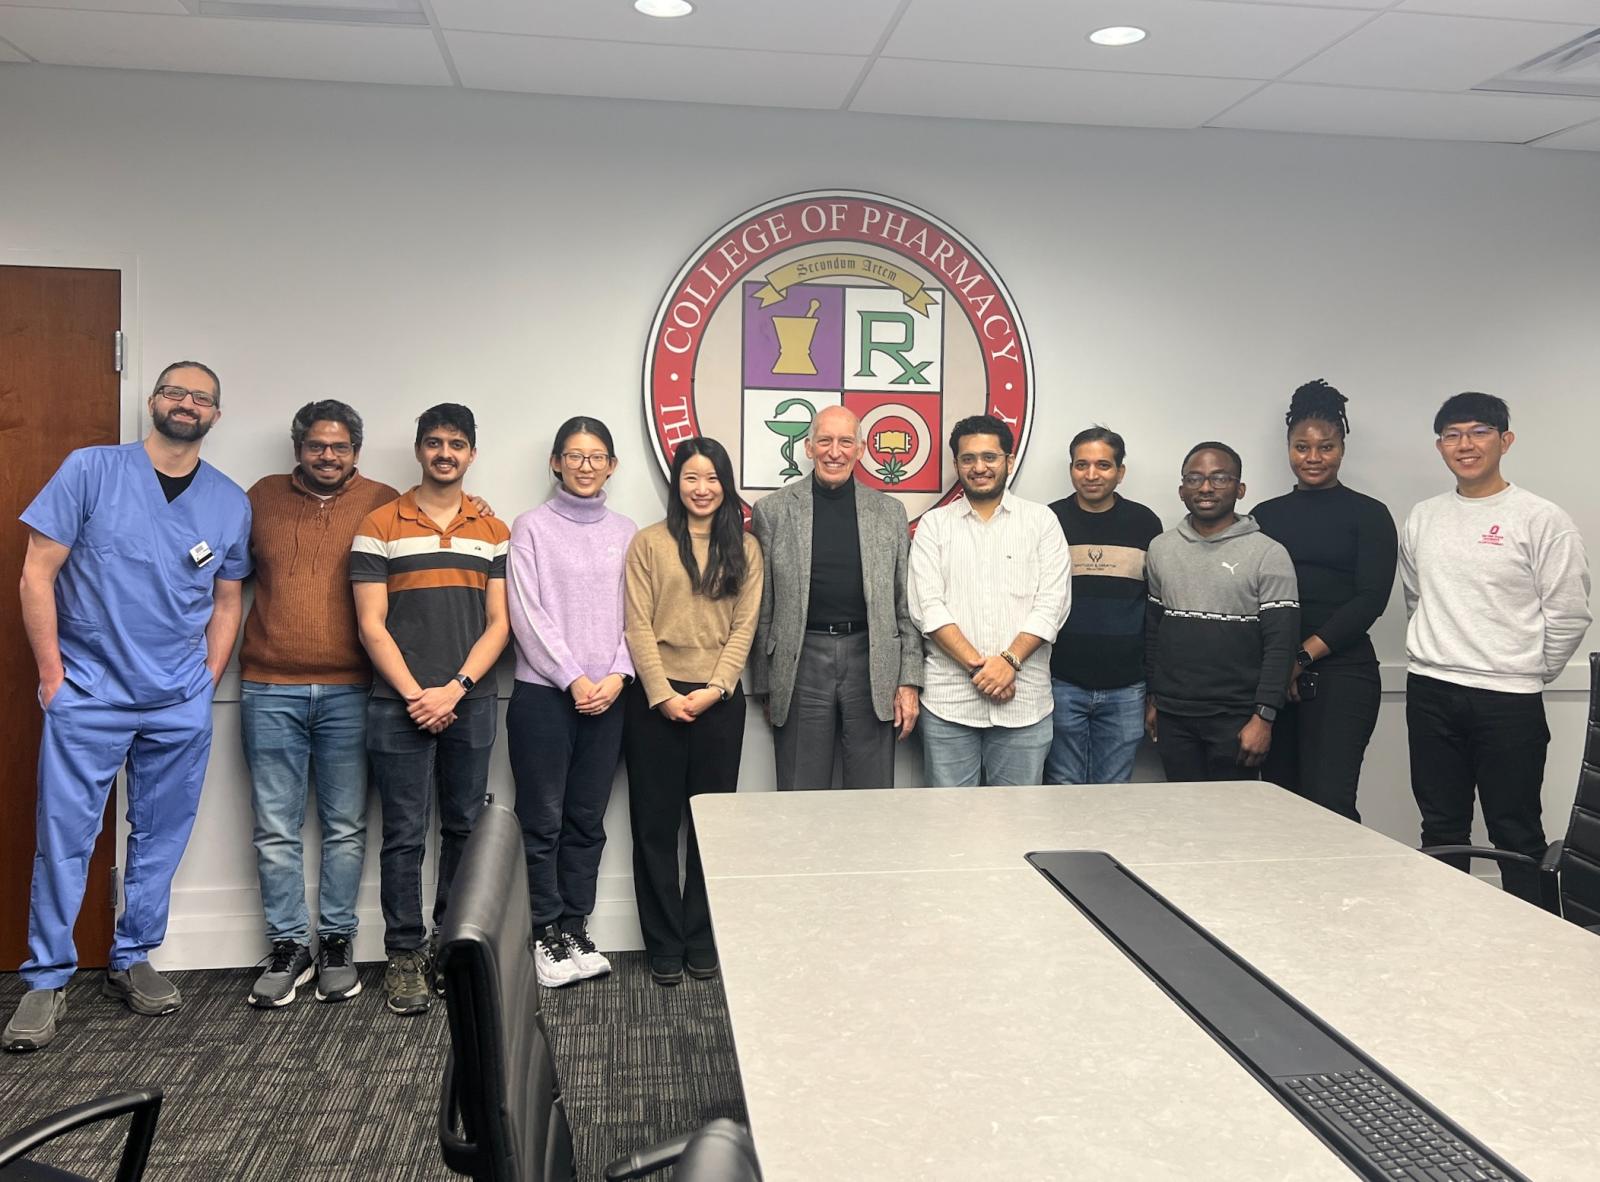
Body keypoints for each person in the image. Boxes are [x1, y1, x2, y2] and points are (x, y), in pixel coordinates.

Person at [4, 361, 251, 1053]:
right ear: (153, 401)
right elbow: (37, 572)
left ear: (215, 414)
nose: (186, 403)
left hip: (178, 698)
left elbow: (229, 597)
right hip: (89, 691)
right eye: (175, 391)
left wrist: (206, 676)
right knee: (66, 837)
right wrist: (53, 675)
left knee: (161, 834)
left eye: (201, 397)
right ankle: (46, 978)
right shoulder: (90, 471)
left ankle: (132, 955)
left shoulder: (229, 500)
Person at [238, 400, 399, 1008]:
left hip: (353, 690)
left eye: (338, 447)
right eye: (315, 445)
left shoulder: (384, 502)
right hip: (268, 686)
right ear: (298, 447)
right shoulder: (261, 496)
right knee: (274, 828)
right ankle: (287, 946)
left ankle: (336, 941)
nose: (326, 456)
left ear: (355, 451)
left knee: (345, 826)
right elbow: (224, 579)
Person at [352, 403, 510, 1016]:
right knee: (403, 835)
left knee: (466, 830)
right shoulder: (379, 525)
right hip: (398, 704)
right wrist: (419, 693)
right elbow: (371, 625)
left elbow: (500, 625)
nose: (446, 453)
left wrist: (455, 689)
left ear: (472, 453)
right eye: (435, 443)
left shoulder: (493, 531)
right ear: (420, 449)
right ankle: (403, 954)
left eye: (458, 444)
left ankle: (453, 945)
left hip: (470, 701)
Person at [1401, 391, 1591, 903]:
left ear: (1505, 441)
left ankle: (1536, 953)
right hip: (1431, 690)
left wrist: (1526, 670)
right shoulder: (1423, 517)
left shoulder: (1540, 519)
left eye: (1479, 432)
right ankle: (1446, 939)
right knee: (1441, 829)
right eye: (1452, 434)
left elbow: (1569, 612)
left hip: (1508, 699)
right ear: (1439, 446)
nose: (1465, 444)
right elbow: (1417, 597)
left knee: (1516, 830)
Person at [623, 437, 762, 987]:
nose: (701, 489)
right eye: (690, 478)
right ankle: (664, 941)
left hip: (720, 702)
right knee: (654, 827)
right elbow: (636, 625)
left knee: (710, 828)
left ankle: (702, 936)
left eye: (712, 478)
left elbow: (744, 627)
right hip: (655, 701)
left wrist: (717, 688)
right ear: (675, 483)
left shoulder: (746, 549)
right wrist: (662, 693)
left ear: (725, 484)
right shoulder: (648, 544)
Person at [506, 417, 636, 989]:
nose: (586, 465)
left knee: (587, 819)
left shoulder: (629, 531)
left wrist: (617, 674)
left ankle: (577, 926)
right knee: (543, 820)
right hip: (544, 697)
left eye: (597, 456)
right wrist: (572, 677)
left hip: (610, 695)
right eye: (575, 455)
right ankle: (544, 932)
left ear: (612, 465)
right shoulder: (530, 528)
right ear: (556, 462)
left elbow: (641, 614)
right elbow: (527, 612)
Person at [750, 405, 922, 789]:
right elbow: (764, 605)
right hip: (800, 660)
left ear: (860, 450)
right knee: (800, 789)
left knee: (872, 790)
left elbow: (904, 603)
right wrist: (765, 681)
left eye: (845, 442)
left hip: (873, 659)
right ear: (808, 447)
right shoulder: (774, 512)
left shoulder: (889, 512)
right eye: (825, 441)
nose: (834, 451)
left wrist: (908, 679)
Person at [1254, 381, 1397, 823]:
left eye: (1326, 447)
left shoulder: (1370, 514)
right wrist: (1281, 666)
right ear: (1288, 448)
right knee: (1278, 805)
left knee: (1329, 806)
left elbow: (1370, 599)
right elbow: (1253, 595)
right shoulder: (1264, 515)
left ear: (1341, 448)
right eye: (1302, 447)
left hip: (1342, 677)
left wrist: (1302, 656)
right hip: (1274, 677)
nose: (1313, 458)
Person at [908, 414, 1071, 787]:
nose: (979, 467)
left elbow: (1053, 605)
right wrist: (982, 670)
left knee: (1018, 824)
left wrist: (1010, 661)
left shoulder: (1041, 521)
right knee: (950, 826)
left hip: (1025, 705)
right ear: (956, 465)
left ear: (1009, 461)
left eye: (990, 457)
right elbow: (927, 608)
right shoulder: (934, 525)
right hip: (950, 704)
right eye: (968, 459)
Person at [1144, 442, 1299, 782]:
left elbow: (1281, 644)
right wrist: (1154, 698)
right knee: (1182, 819)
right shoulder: (1161, 549)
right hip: (1173, 715)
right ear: (1182, 490)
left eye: (1219, 478)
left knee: (1234, 826)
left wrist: (1263, 717)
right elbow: (1155, 629)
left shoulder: (1268, 554)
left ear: (1240, 488)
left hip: (1238, 718)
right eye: (1194, 478)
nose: (1205, 487)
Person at [1045, 426, 1163, 785]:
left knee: (1114, 790)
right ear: (1071, 469)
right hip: (1061, 681)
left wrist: (1154, 689)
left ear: (1120, 472)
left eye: (1103, 465)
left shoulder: (1145, 523)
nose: (1091, 475)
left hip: (1127, 686)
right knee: (1062, 784)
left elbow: (1155, 608)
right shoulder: (1049, 521)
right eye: (1082, 465)